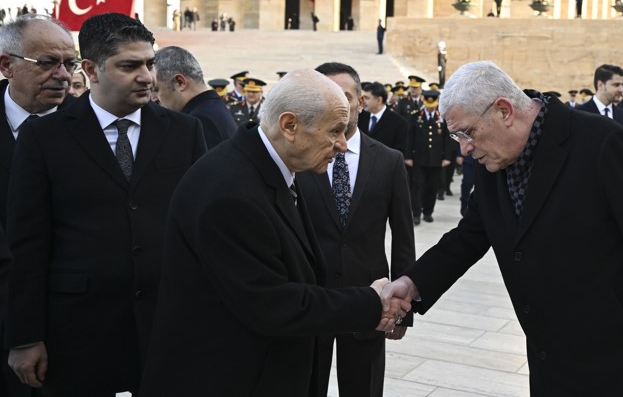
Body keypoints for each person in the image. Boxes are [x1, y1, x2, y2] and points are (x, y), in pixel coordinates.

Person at [383, 61, 623, 396]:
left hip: (615, 351)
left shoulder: (603, 143)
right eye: (456, 137)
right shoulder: (493, 161)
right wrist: (412, 283)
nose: (464, 149)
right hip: (547, 353)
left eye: (467, 133)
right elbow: (469, 236)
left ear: (503, 111)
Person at [139, 69, 409, 397]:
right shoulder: (231, 193)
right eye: (334, 131)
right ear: (289, 125)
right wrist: (371, 302)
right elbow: (273, 303)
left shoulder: (271, 169)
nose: (342, 144)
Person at [5, 13, 207, 395]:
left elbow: (202, 231)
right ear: (91, 70)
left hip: (165, 325)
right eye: (130, 66)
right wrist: (25, 336)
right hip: (77, 332)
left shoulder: (185, 132)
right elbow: (27, 243)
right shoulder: (43, 137)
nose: (147, 76)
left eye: (150, 63)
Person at [296, 63, 415, 397]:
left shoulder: (389, 161)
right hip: (311, 300)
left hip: (370, 300)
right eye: (324, 97)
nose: (336, 106)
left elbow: (404, 238)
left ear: (361, 101)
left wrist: (404, 310)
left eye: (344, 97)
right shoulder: (298, 159)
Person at [0, 15, 78, 397]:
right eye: (48, 63)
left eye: (70, 63)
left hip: (68, 327)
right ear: (6, 65)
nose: (62, 75)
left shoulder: (96, 129)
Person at [153, 46, 238, 149]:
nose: (154, 98)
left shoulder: (198, 121)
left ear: (180, 83)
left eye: (156, 89)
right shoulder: (212, 108)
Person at [404, 89, 453, 224]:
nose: (430, 108)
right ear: (424, 102)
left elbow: (447, 139)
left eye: (433, 106)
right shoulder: (415, 117)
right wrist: (407, 156)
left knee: (432, 187)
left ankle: (428, 212)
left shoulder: (442, 118)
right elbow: (410, 138)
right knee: (417, 186)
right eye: (428, 105)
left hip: (436, 159)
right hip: (418, 159)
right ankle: (416, 214)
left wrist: (447, 157)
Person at [359, 81, 409, 154]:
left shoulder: (399, 122)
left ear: (379, 100)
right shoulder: (360, 116)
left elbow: (399, 152)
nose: (363, 101)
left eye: (367, 98)